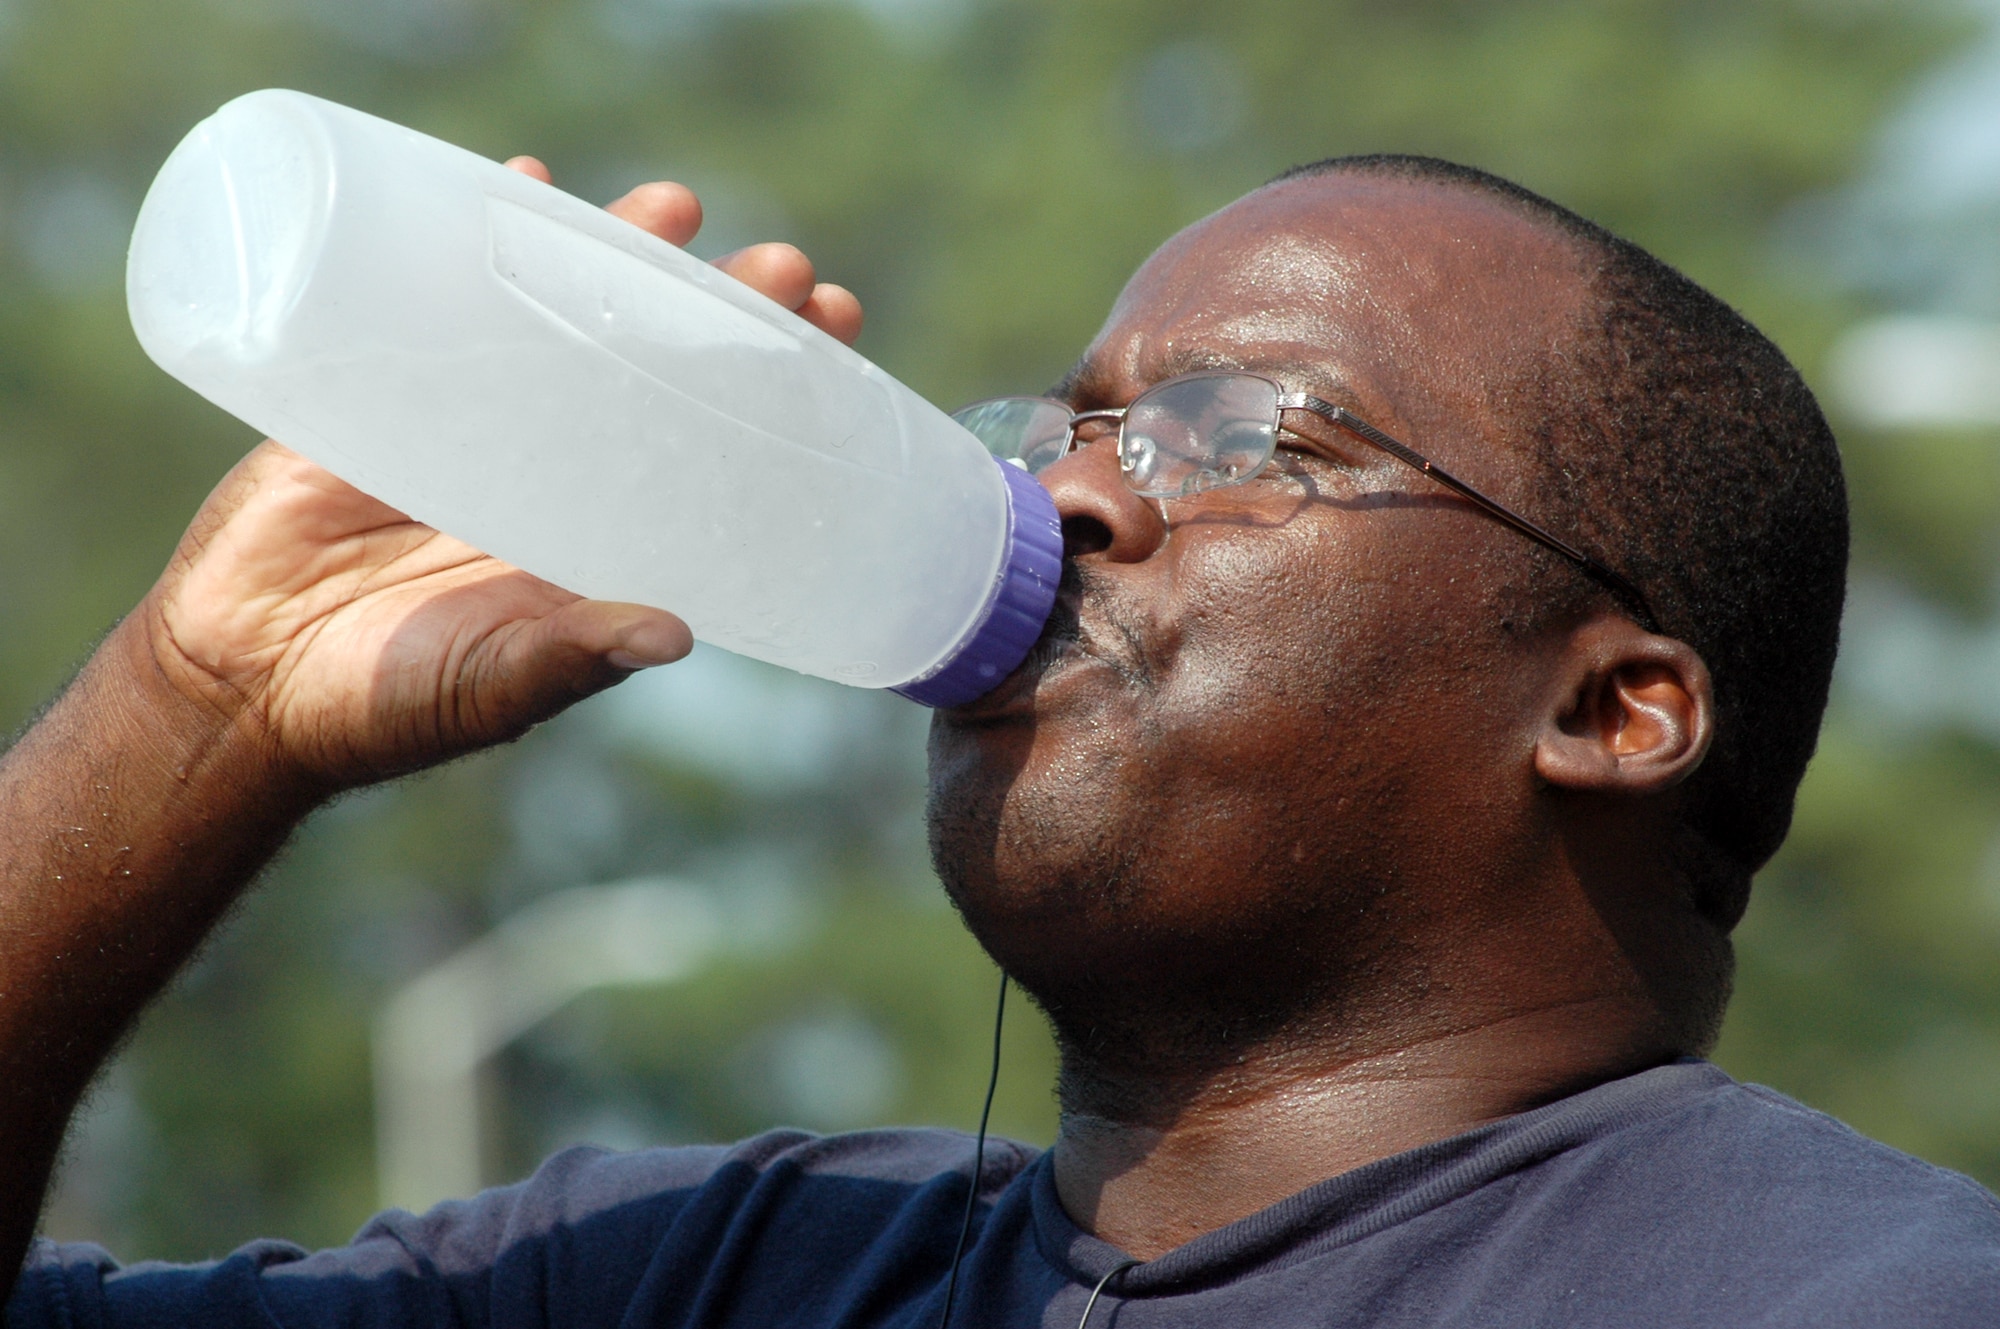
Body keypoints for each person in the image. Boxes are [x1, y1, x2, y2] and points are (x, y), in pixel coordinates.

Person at [1, 149, 1995, 1329]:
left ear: (1608, 706)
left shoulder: (1857, 1295)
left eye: (1234, 437)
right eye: (1060, 430)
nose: (1069, 502)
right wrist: (198, 709)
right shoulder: (697, 1272)